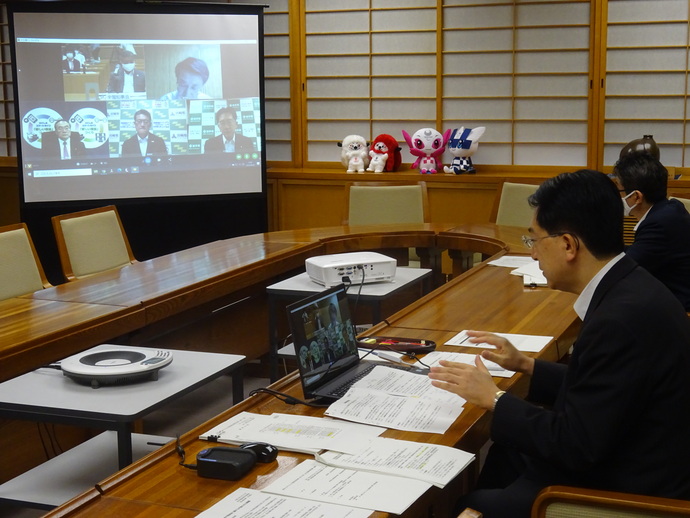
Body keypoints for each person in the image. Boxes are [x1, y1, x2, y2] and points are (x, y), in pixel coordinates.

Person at [428, 170, 690, 518]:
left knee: (467, 505)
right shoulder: (632, 285)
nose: (533, 254)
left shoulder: (619, 320)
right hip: (626, 448)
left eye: (535, 240)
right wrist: (527, 366)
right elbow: (605, 389)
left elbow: (576, 445)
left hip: (623, 489)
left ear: (568, 245)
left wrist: (494, 397)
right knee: (505, 449)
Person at [613, 151, 690, 310]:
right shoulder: (668, 209)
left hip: (679, 311)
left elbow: (622, 272)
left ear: (636, 197)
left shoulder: (659, 224)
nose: (615, 197)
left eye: (618, 191)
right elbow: (636, 253)